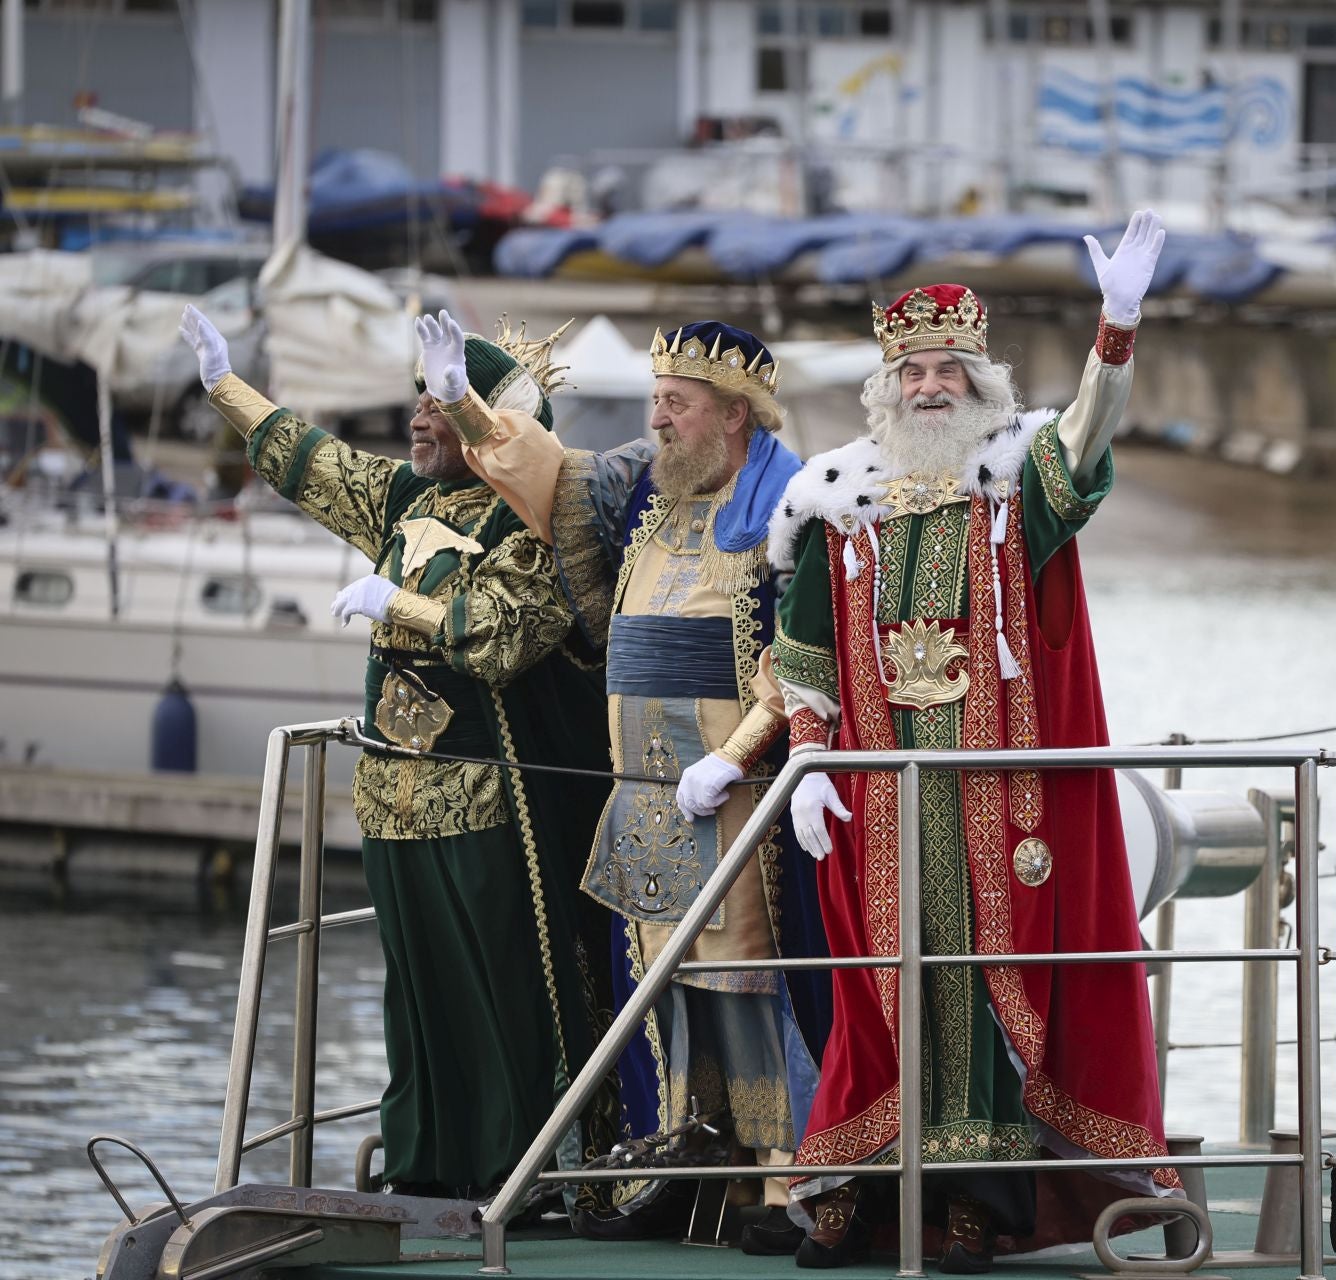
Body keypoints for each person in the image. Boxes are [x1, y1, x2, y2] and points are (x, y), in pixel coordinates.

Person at [766, 210, 1177, 1273]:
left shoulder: (1012, 482)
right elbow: (800, 651)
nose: (931, 385)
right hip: (879, 799)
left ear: (982, 382)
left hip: (998, 796)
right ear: (887, 385)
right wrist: (809, 759)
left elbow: (1085, 442)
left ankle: (976, 1204)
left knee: (989, 977)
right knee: (880, 989)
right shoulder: (840, 503)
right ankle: (861, 1188)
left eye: (950, 367)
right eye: (913, 369)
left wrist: (1116, 329)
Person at [176, 305, 617, 1206]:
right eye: (418, 396)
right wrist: (225, 384)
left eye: (441, 399)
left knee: (507, 986)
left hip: (489, 802)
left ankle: (524, 1170)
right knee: (416, 997)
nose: (418, 413)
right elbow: (312, 462)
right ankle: (428, 1163)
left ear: (493, 423)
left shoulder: (534, 520)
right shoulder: (404, 498)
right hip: (392, 796)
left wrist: (398, 607)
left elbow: (503, 635)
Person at [433, 313, 831, 1252]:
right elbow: (549, 478)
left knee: (743, 985)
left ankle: (778, 1180)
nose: (657, 421)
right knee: (657, 989)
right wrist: (460, 399)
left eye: (676, 405)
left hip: (736, 800)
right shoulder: (643, 500)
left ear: (734, 416)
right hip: (641, 791)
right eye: (655, 401)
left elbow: (799, 658)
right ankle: (676, 1168)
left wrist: (735, 759)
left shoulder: (789, 510)